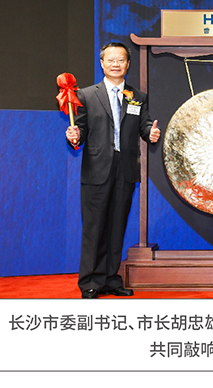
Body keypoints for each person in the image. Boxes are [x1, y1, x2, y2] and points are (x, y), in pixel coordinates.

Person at [65, 38, 160, 296]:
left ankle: (110, 278)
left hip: (125, 168)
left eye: (121, 60)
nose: (115, 64)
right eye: (111, 60)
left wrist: (151, 133)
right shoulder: (86, 95)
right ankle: (90, 282)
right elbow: (80, 130)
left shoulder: (138, 97)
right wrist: (74, 135)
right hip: (97, 169)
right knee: (94, 228)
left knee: (117, 226)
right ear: (102, 63)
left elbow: (144, 126)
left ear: (128, 64)